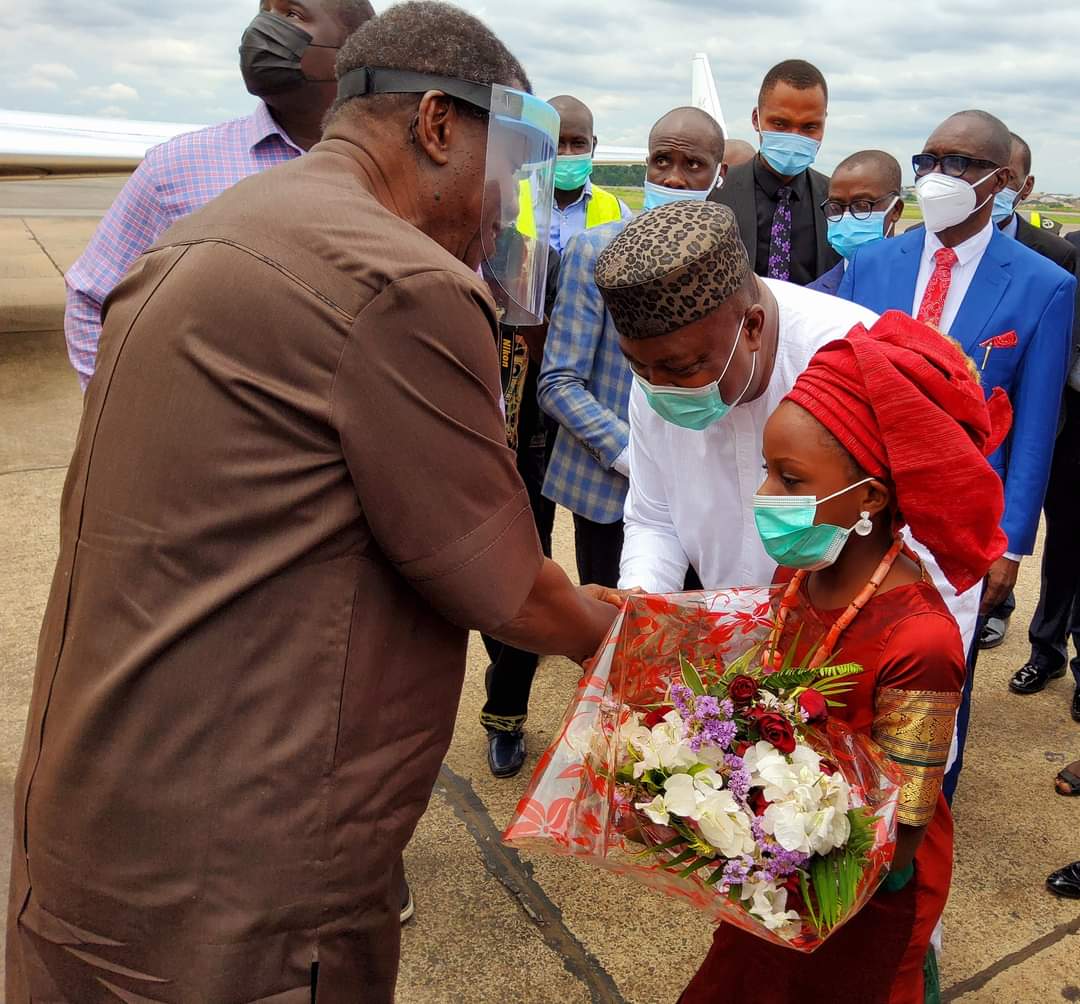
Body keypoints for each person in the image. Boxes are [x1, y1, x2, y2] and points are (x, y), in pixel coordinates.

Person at [6, 5, 622, 1001]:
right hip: (242, 888)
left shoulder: (209, 227)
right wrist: (629, 642)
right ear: (435, 124)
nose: (505, 202)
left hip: (100, 819)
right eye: (503, 164)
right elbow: (507, 585)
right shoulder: (399, 279)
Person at [680, 311, 1010, 1004]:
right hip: (781, 868)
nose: (765, 495)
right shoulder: (797, 579)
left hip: (858, 895)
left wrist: (787, 852)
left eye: (790, 479)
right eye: (768, 472)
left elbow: (906, 829)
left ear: (868, 499)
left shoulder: (918, 640)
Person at [837, 109, 1076, 800]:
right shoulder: (872, 263)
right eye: (929, 160)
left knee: (941, 670)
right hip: (865, 504)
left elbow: (1034, 425)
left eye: (961, 163)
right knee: (854, 655)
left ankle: (926, 805)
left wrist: (1010, 542)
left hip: (963, 522)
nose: (939, 176)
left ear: (1002, 181)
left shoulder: (1042, 285)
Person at [63, 0, 375, 390]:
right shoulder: (175, 167)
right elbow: (91, 296)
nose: (264, 28)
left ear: (354, 50)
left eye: (291, 14)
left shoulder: (408, 173)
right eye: (265, 11)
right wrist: (111, 410)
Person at [592, 200, 876, 595]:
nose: (658, 388)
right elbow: (654, 517)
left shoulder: (853, 356)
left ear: (752, 327)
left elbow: (920, 542)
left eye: (684, 369)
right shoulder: (656, 374)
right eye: (638, 367)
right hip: (726, 636)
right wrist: (641, 603)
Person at [539, 107, 726, 592]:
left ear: (719, 174)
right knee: (616, 633)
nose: (675, 179)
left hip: (700, 491)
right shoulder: (594, 251)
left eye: (694, 166)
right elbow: (558, 383)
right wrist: (634, 454)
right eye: (662, 162)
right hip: (608, 492)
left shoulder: (729, 262)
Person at [981, 132, 1079, 650]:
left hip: (1041, 416)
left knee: (1052, 531)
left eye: (1009, 180)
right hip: (983, 415)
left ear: (1024, 186)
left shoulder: (1056, 253)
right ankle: (1014, 621)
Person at [479, 245, 562, 778]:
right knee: (486, 585)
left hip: (531, 452)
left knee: (530, 579)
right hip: (464, 457)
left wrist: (527, 318)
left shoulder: (543, 263)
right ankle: (505, 659)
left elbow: (562, 364)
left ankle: (504, 714)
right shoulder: (435, 265)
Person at [709, 59, 839, 286]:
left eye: (809, 127)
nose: (795, 136)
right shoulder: (717, 195)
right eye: (780, 124)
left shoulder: (837, 203)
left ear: (824, 124)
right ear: (756, 119)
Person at [808, 150, 904, 296]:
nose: (846, 217)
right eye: (836, 206)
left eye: (862, 206)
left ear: (895, 210)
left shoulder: (920, 286)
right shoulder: (813, 295)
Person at [546, 94, 632, 254]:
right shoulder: (510, 203)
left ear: (593, 146)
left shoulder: (619, 213)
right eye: (558, 143)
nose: (568, 153)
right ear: (539, 141)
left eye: (578, 143)